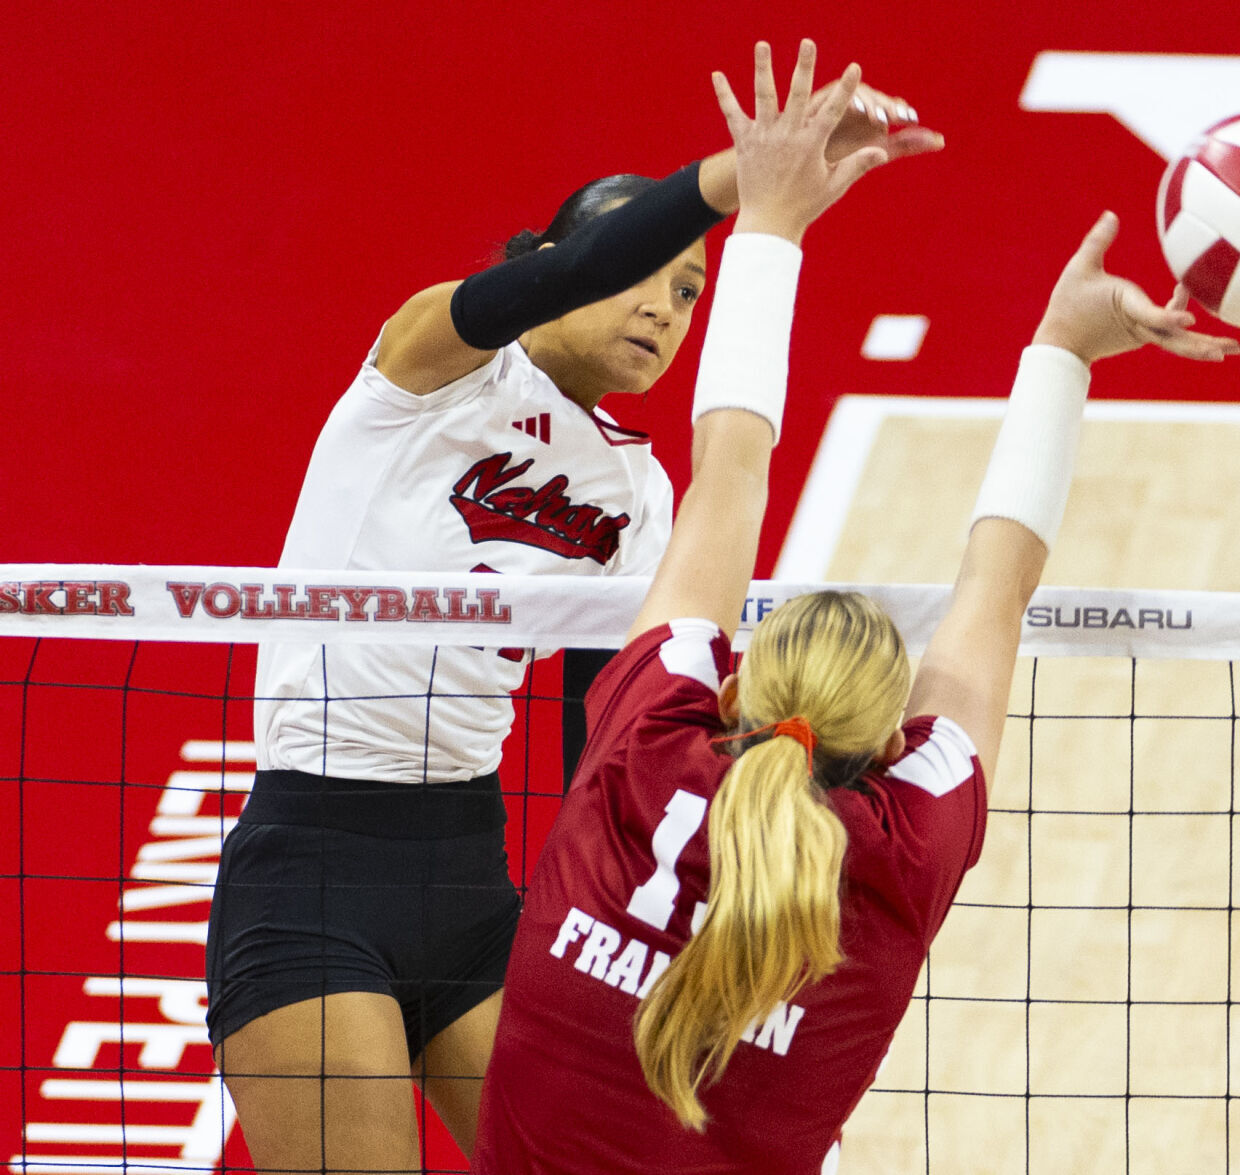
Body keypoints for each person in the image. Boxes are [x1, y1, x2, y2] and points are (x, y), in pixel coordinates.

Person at [472, 38, 1240, 1175]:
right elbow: (997, 591)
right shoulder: (896, 848)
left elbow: (729, 470)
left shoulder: (647, 745)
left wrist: (769, 217)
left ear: (735, 684)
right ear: (887, 744)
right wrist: (1063, 351)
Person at [205, 44, 940, 1174]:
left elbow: (607, 732)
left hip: (477, 882)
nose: (662, 306)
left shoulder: (639, 496)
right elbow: (574, 268)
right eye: (642, 271)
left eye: (691, 294)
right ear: (556, 262)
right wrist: (746, 178)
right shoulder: (426, 370)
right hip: (313, 867)